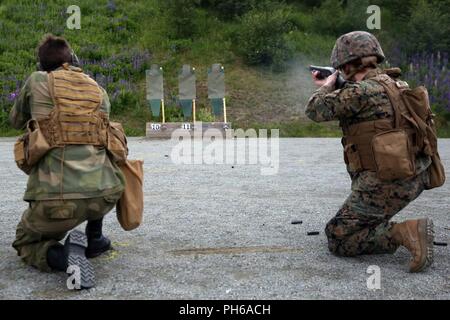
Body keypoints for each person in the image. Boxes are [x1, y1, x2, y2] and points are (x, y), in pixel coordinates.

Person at [305, 31, 435, 272]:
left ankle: (403, 232)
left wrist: (327, 86)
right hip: (415, 176)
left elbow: (314, 109)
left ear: (345, 65)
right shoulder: (397, 84)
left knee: (337, 236)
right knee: (360, 214)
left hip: (387, 184)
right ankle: (379, 221)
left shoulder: (360, 92)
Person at [10, 34, 125, 289]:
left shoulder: (37, 80)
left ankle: (65, 258)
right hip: (106, 195)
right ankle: (94, 238)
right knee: (94, 153)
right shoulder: (97, 88)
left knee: (25, 243)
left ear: (41, 66)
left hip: (58, 201)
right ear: (73, 59)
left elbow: (15, 120)